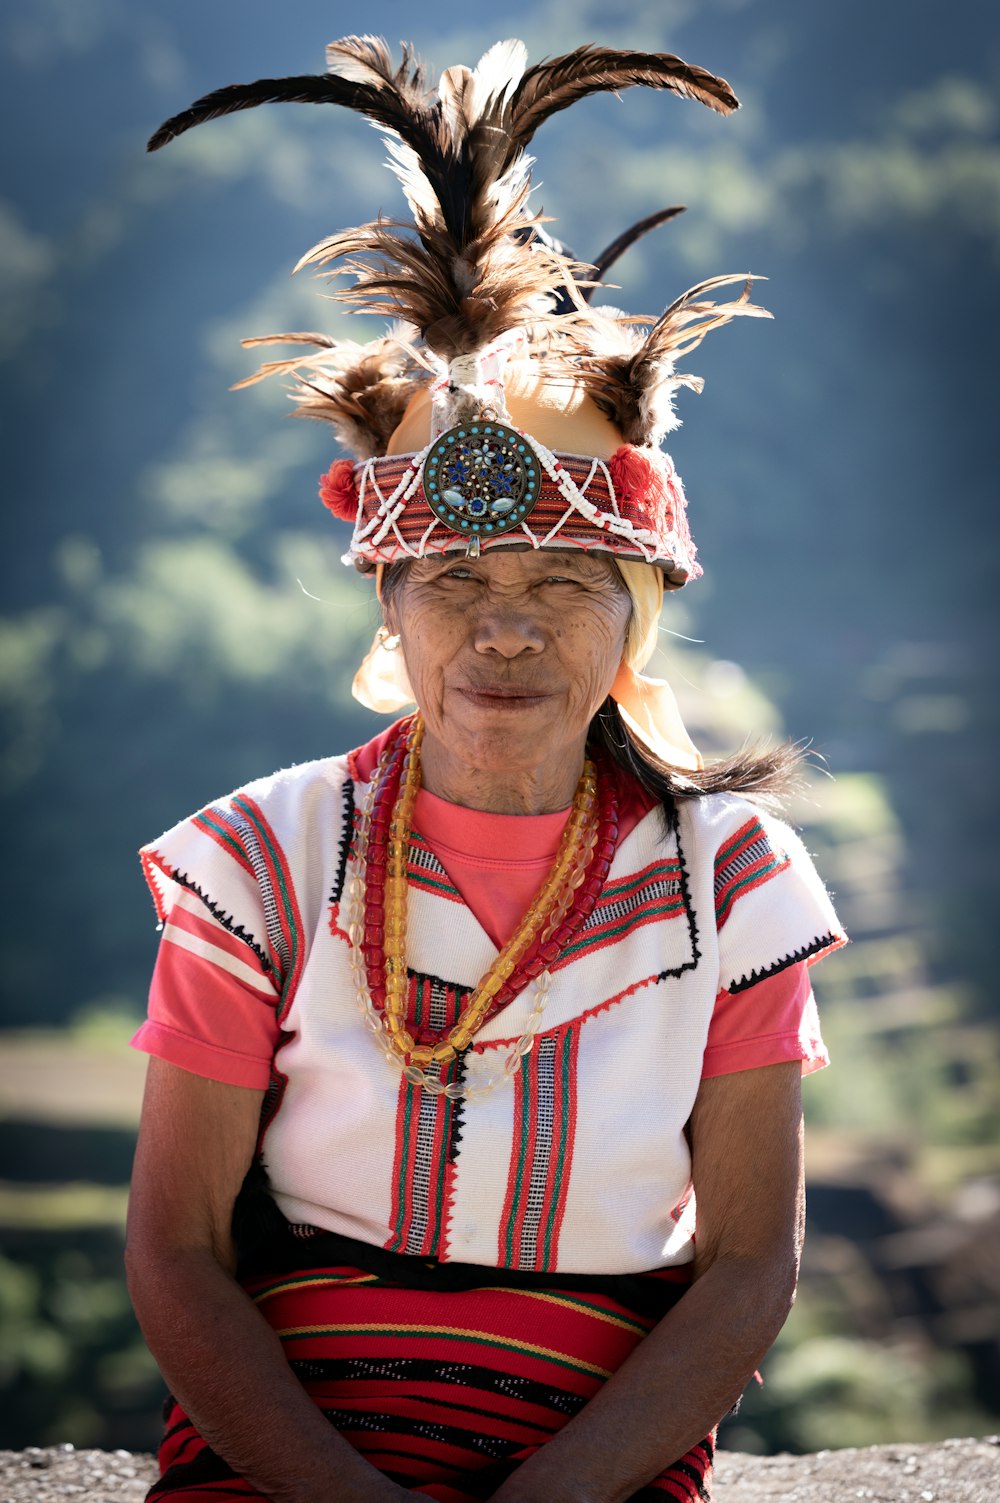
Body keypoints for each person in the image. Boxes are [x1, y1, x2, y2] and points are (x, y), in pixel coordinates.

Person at [126, 35, 846, 1503]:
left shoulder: (737, 885)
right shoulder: (263, 861)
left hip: (603, 1450)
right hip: (288, 1448)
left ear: (634, 616)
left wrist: (560, 1496)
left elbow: (751, 1261)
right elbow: (174, 1248)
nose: (504, 629)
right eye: (450, 579)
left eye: (566, 583)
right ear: (387, 609)